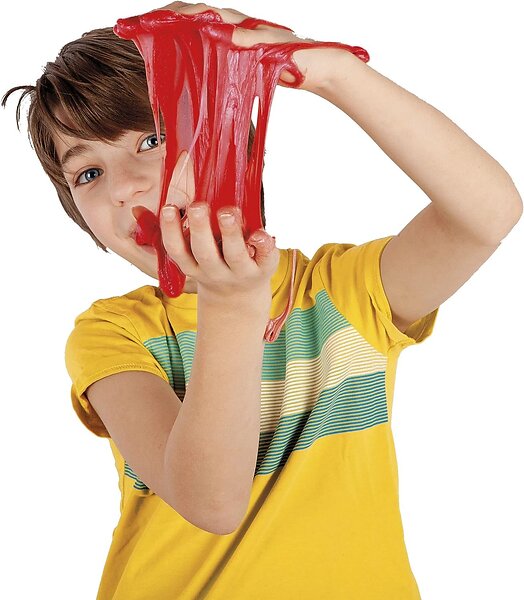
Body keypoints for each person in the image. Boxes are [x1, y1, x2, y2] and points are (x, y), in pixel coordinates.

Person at [3, 2, 522, 598]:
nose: (124, 186)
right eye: (88, 174)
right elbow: (212, 501)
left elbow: (487, 213)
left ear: (233, 145)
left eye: (153, 138)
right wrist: (231, 305)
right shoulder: (112, 333)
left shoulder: (339, 292)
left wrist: (332, 73)